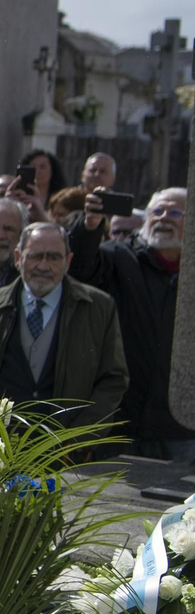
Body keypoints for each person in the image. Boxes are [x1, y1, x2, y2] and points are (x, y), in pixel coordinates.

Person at [0, 221, 127, 433]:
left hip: (64, 448)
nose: (43, 266)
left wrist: (79, 438)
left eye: (53, 257)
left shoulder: (98, 307)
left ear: (68, 261)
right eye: (34, 256)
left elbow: (113, 379)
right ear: (17, 258)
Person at [67, 187, 191, 462]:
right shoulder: (121, 258)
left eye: (174, 212)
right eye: (156, 211)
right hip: (123, 423)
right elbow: (80, 270)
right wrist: (89, 227)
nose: (163, 218)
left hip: (182, 430)